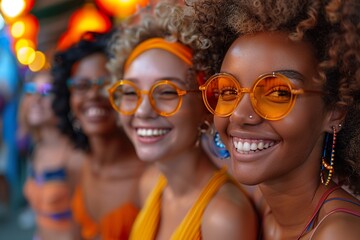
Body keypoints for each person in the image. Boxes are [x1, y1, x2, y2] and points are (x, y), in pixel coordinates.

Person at [190, 0, 360, 239]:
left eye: (279, 93)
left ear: (335, 112)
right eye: (229, 91)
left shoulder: (341, 233)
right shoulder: (255, 205)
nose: (239, 114)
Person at [107, 2, 258, 239]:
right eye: (129, 92)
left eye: (167, 92)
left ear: (209, 105)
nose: (143, 111)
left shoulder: (223, 217)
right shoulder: (150, 183)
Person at [51, 31, 145, 240]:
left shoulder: (149, 174)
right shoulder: (76, 165)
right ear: (68, 99)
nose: (93, 95)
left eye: (106, 85)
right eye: (81, 86)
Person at [19, 69, 85, 239]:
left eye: (46, 91)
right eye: (31, 90)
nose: (36, 99)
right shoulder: (37, 148)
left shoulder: (76, 156)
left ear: (63, 100)